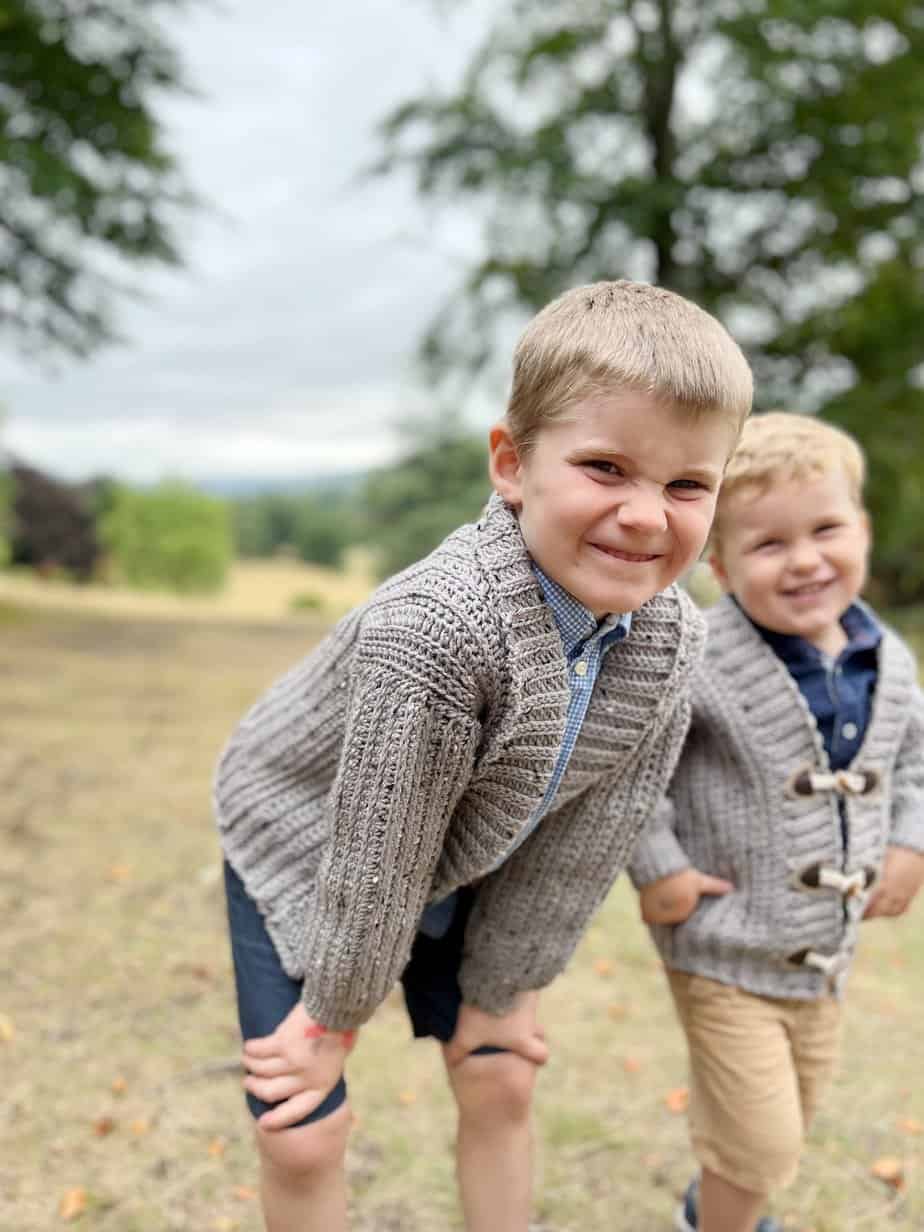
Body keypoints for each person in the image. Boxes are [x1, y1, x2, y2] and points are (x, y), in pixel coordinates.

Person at [214, 279, 752, 1232]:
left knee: (500, 1077)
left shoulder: (675, 640)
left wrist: (503, 993)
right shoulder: (437, 633)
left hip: (464, 853)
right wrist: (335, 1017)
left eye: (685, 485)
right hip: (314, 838)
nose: (644, 515)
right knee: (302, 1127)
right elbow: (376, 858)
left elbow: (588, 835)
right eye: (604, 467)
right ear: (511, 463)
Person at [628, 412, 924, 1232]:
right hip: (722, 946)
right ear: (719, 565)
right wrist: (662, 869)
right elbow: (632, 770)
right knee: (758, 1144)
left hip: (822, 956)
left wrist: (910, 840)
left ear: (861, 531)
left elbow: (914, 764)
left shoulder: (885, 658)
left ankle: (716, 1209)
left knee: (786, 1123)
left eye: (826, 529)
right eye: (768, 545)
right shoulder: (699, 658)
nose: (805, 561)